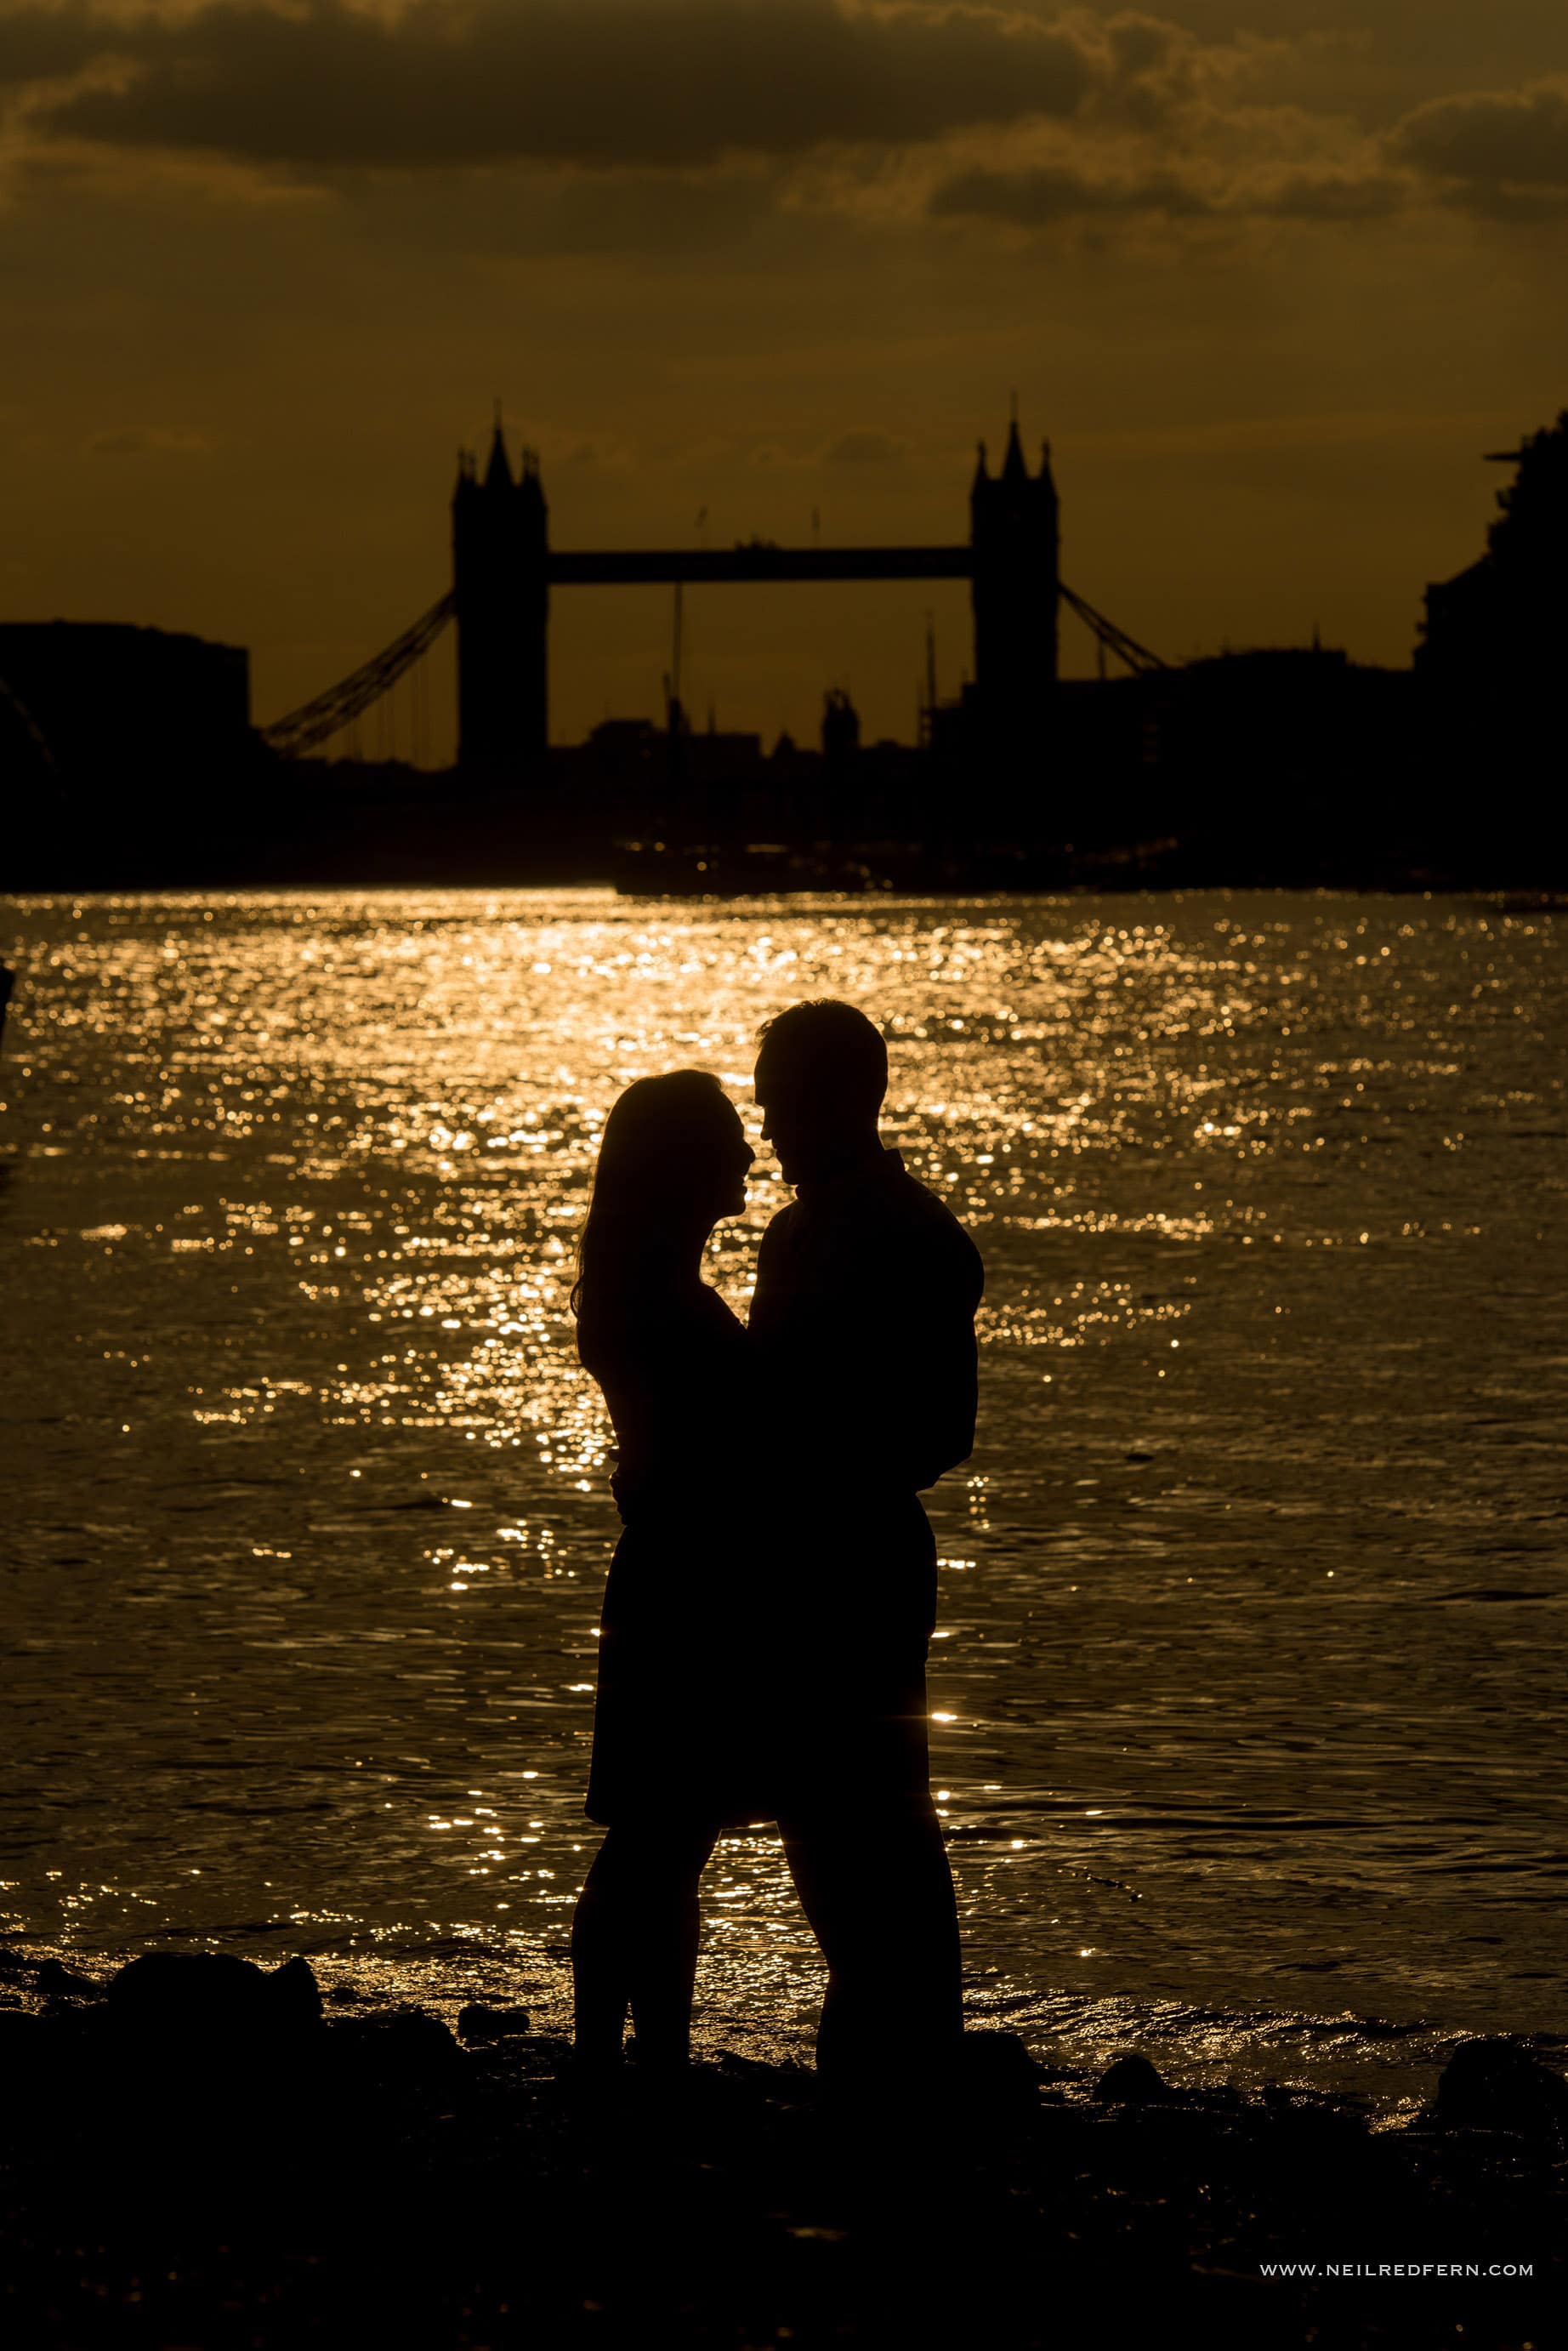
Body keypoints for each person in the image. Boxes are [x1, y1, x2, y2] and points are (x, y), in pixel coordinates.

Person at [749, 999, 984, 2090]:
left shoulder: (910, 1234)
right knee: (819, 1803)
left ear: (841, 1098)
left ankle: (910, 2034)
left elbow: (942, 1428)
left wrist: (822, 1452)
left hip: (858, 1550)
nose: (769, 1129)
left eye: (782, 1104)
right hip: (801, 1549)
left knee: (878, 1804)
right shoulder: (794, 1232)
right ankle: (874, 2022)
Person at [567, 1070, 764, 2078]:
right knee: (658, 1837)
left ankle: (651, 2051)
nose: (746, 1155)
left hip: (680, 1581)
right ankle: (612, 2053)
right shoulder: (661, 1302)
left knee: (670, 1838)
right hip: (683, 1589)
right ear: (680, 1162)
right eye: (727, 1138)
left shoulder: (646, 1287)